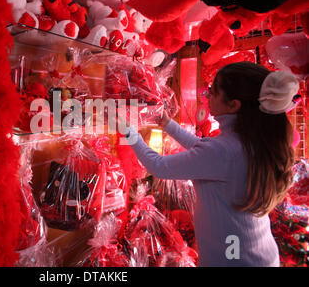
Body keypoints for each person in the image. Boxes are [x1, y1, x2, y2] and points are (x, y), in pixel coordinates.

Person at [122, 62, 300, 267]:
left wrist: (127, 130)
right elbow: (204, 147)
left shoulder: (225, 151)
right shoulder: (250, 142)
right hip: (257, 255)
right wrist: (166, 123)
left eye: (212, 92)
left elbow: (158, 166)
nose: (207, 97)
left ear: (233, 104)